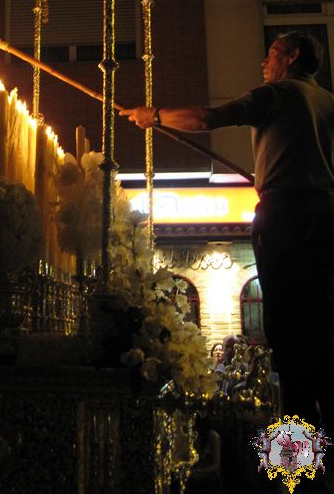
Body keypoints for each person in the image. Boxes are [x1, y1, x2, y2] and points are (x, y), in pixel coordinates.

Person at [120, 31, 334, 438]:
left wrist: (155, 116)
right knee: (322, 333)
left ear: (291, 57)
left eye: (271, 54)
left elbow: (207, 119)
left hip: (287, 217)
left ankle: (297, 464)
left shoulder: (280, 94)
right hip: (325, 215)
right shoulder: (327, 101)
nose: (265, 63)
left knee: (288, 340)